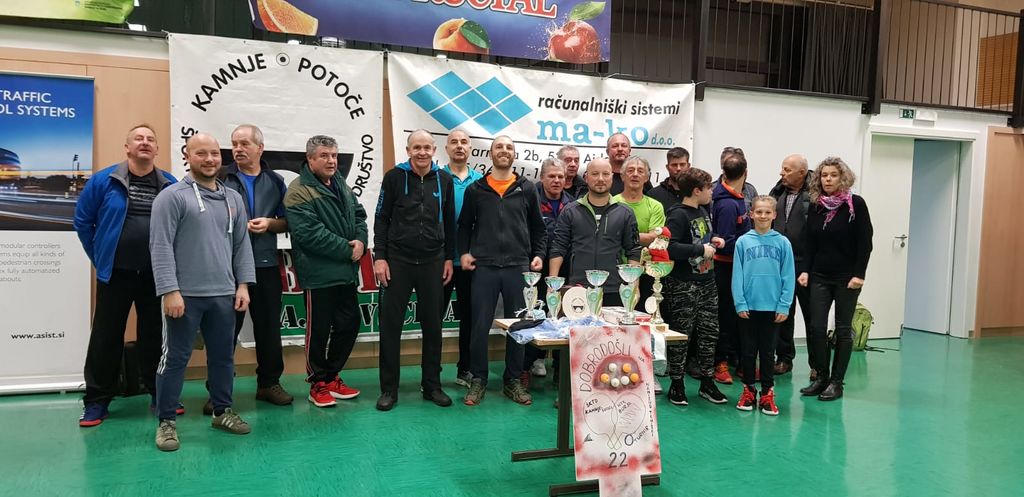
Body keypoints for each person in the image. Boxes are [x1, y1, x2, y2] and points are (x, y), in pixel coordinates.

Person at [150, 133, 256, 451]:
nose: (209, 159)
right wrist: (170, 290)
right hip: (184, 296)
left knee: (223, 357)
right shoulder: (171, 197)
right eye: (201, 153)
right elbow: (160, 246)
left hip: (224, 294)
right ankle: (166, 421)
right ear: (187, 156)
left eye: (214, 153)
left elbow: (241, 245)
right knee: (175, 359)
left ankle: (222, 411)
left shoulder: (233, 199)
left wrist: (242, 285)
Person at [73, 124, 178, 427]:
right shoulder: (104, 181)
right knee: (106, 337)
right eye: (138, 138)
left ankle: (160, 394)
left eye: (150, 139)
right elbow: (83, 222)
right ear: (127, 147)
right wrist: (101, 257)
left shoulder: (170, 185)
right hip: (115, 275)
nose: (145, 142)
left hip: (156, 276)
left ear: (156, 149)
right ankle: (96, 401)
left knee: (155, 336)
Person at [459, 136, 546, 407]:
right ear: (491, 153)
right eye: (499, 147)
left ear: (514, 154)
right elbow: (464, 226)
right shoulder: (476, 189)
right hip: (484, 267)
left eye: (509, 147)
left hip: (518, 267)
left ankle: (513, 380)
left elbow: (538, 227)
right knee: (479, 325)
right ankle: (478, 379)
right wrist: (463, 252)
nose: (504, 151)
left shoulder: (527, 188)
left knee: (518, 327)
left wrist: (538, 255)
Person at [212, 124, 292, 413]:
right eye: (234, 143)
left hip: (265, 264)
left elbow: (288, 221)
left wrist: (270, 224)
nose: (238, 149)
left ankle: (269, 384)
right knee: (224, 330)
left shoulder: (275, 181)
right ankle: (218, 391)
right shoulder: (221, 177)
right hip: (227, 266)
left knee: (269, 328)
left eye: (244, 143)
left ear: (260, 148)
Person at [373, 130, 455, 411]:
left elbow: (450, 222)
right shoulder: (394, 177)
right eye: (416, 147)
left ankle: (432, 385)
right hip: (398, 261)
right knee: (390, 327)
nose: (422, 152)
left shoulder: (444, 180)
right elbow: (381, 218)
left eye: (426, 147)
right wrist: (380, 257)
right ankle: (389, 389)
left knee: (433, 326)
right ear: (408, 150)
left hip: (433, 261)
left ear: (434, 150)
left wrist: (448, 258)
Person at [284, 135, 368, 408]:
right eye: (324, 156)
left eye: (334, 155)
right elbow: (309, 234)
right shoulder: (298, 190)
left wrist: (361, 241)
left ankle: (331, 377)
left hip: (345, 272)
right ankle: (317, 383)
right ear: (310, 159)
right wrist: (347, 250)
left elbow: (359, 215)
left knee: (350, 324)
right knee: (318, 331)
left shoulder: (341, 183)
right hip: (318, 274)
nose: (331, 161)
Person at [799, 157, 873, 401]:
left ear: (843, 178)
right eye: (824, 175)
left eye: (833, 175)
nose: (828, 179)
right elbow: (810, 242)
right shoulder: (816, 205)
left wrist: (859, 274)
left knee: (842, 330)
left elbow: (865, 243)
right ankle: (821, 377)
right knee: (816, 327)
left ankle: (837, 382)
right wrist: (805, 270)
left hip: (846, 278)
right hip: (819, 275)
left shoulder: (855, 204)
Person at [661, 168, 727, 406]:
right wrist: (700, 249)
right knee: (682, 335)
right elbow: (670, 248)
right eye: (709, 187)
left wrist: (713, 240)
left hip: (707, 282)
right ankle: (677, 383)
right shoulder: (677, 215)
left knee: (709, 333)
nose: (712, 192)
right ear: (697, 191)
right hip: (683, 285)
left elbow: (698, 237)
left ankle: (707, 381)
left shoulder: (703, 211)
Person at [732, 196, 794, 416]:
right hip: (748, 308)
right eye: (759, 212)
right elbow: (737, 276)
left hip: (773, 308)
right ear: (751, 214)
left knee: (768, 353)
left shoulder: (783, 243)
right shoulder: (743, 242)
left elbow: (788, 276)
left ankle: (767, 392)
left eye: (767, 212)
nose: (763, 216)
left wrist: (784, 305)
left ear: (774, 215)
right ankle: (748, 390)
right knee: (748, 352)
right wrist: (740, 302)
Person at [549, 158, 642, 304]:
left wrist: (634, 285)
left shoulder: (625, 213)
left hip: (614, 289)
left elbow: (633, 250)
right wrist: (552, 285)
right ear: (586, 177)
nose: (600, 179)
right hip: (578, 288)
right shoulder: (570, 211)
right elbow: (558, 247)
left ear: (612, 177)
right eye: (595, 174)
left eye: (605, 174)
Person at [440, 129, 483, 389]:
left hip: (470, 262)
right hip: (441, 261)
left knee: (469, 319)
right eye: (454, 142)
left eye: (464, 142)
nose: (459, 146)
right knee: (434, 319)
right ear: (446, 148)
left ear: (470, 148)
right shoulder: (437, 178)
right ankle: (431, 373)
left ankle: (464, 369)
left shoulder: (480, 181)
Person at [525, 157, 573, 381]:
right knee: (536, 312)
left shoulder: (572, 204)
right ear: (542, 177)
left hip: (564, 268)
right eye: (551, 176)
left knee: (562, 314)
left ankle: (560, 364)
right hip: (535, 267)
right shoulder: (529, 199)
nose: (556, 180)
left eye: (560, 176)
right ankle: (533, 359)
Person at [710, 152, 752, 384]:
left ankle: (740, 361)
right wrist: (752, 242)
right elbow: (725, 243)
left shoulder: (736, 198)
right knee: (725, 317)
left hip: (739, 267)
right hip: (725, 269)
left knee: (739, 317)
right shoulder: (727, 204)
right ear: (746, 172)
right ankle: (720, 362)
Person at [768, 154, 812, 376]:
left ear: (802, 173)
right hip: (781, 266)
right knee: (783, 314)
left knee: (813, 318)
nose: (781, 173)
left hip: (806, 266)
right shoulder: (777, 193)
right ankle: (784, 358)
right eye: (782, 169)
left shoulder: (815, 195)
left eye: (787, 170)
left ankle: (817, 365)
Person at [612, 156, 666, 306]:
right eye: (630, 170)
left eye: (640, 171)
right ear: (622, 176)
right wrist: (642, 237)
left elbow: (654, 238)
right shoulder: (612, 203)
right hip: (615, 272)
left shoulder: (655, 206)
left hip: (647, 273)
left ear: (647, 177)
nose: (635, 174)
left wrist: (623, 235)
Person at [649, 147, 691, 212]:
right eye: (674, 165)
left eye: (682, 165)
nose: (678, 168)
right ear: (667, 167)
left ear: (688, 166)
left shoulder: (696, 193)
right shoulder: (653, 195)